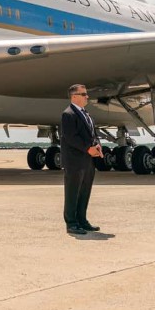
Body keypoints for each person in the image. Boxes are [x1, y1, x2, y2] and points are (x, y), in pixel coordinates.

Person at [60, 84, 102, 235]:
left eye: (86, 94)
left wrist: (97, 145)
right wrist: (87, 148)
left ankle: (82, 221)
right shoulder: (68, 114)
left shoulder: (87, 114)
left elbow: (93, 134)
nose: (87, 97)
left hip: (88, 161)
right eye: (83, 94)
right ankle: (71, 223)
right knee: (72, 192)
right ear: (74, 97)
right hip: (74, 161)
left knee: (84, 192)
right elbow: (71, 137)